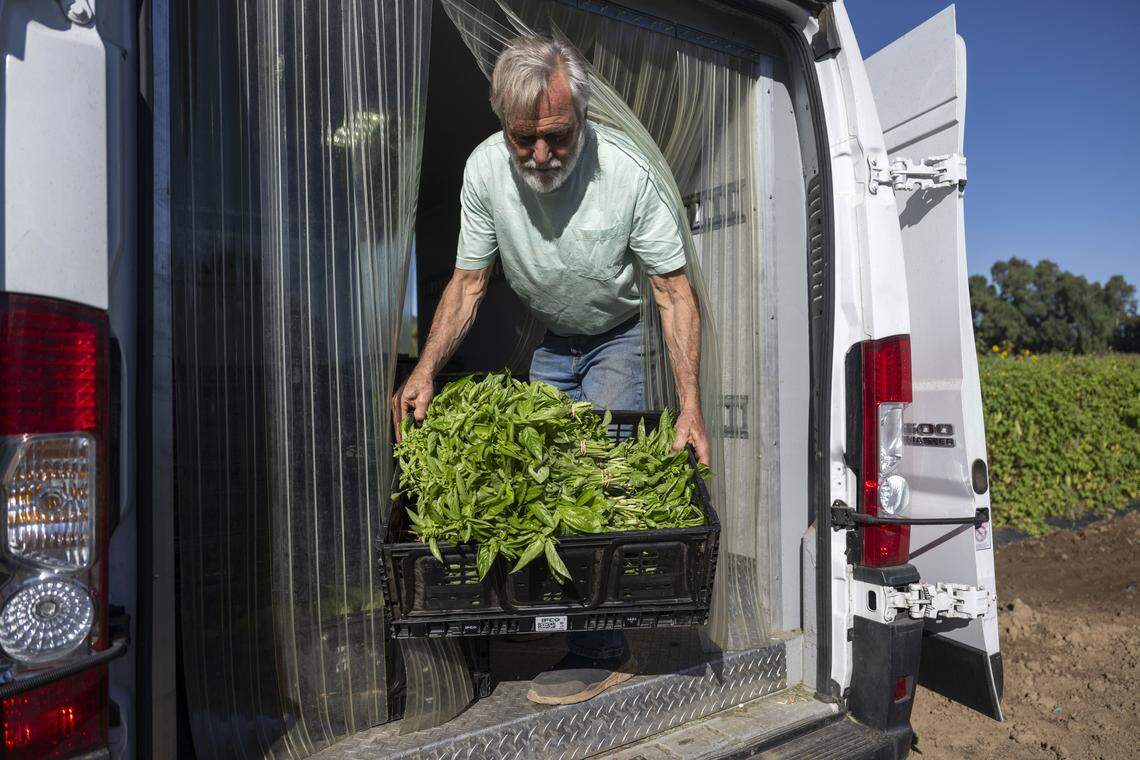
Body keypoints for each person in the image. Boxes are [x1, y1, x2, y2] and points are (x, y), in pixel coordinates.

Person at [391, 36, 709, 706]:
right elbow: (468, 284)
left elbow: (673, 292)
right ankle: (549, 615)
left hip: (620, 337)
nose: (539, 155)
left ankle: (599, 646)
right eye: (523, 138)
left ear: (582, 121)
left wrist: (689, 405)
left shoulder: (627, 174)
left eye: (557, 138)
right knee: (535, 478)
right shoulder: (484, 172)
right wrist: (424, 370)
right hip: (553, 341)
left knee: (595, 480)